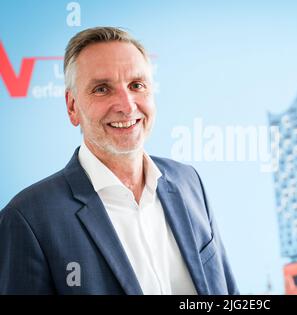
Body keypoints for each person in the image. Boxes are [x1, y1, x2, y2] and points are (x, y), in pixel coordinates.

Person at [0, 27, 239, 295]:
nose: (127, 105)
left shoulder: (189, 181)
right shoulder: (28, 219)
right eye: (102, 89)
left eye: (137, 85)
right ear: (72, 107)